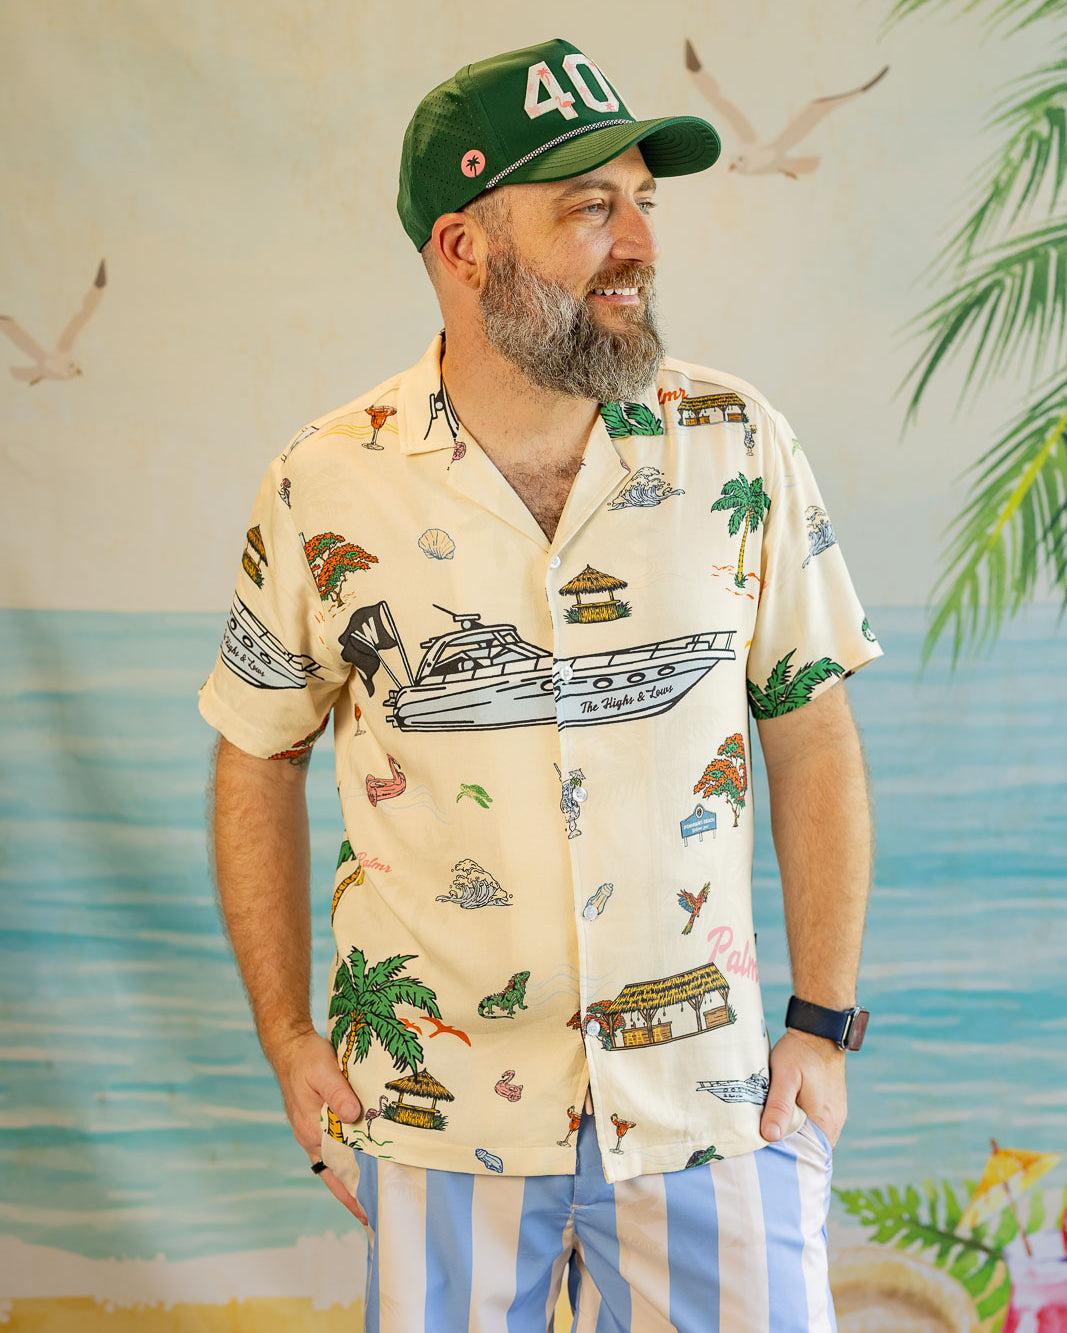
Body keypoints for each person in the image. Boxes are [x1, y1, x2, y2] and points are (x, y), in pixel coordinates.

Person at [201, 37, 880, 1332]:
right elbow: (256, 749)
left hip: (712, 1110)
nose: (640, 242)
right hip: (436, 1117)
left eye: (642, 201)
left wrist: (823, 1023)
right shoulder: (325, 484)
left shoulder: (741, 446)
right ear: (465, 250)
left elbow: (810, 730)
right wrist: (290, 1036)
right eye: (590, 208)